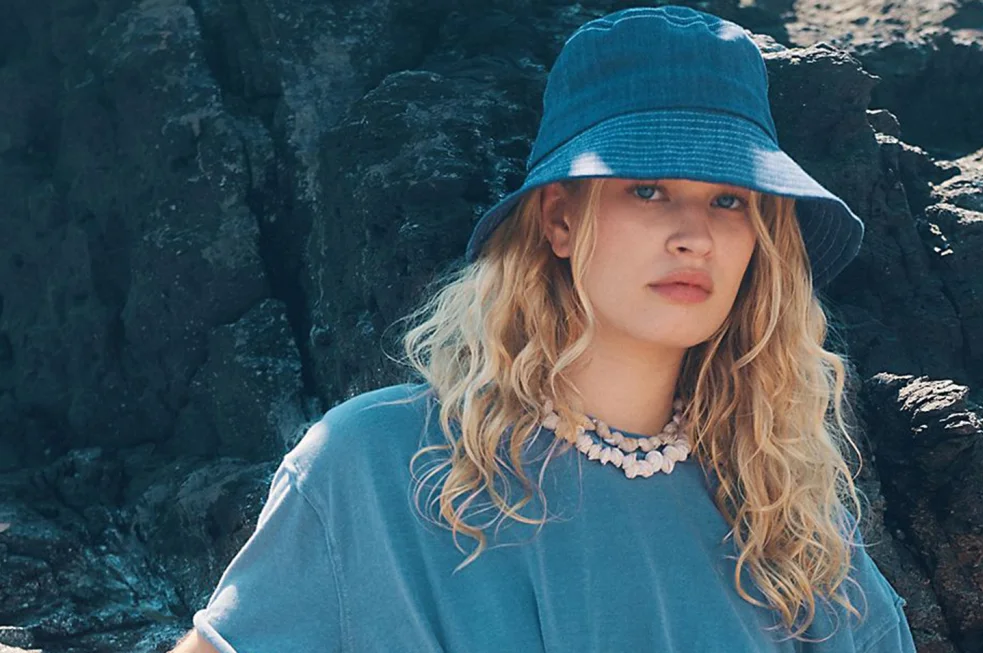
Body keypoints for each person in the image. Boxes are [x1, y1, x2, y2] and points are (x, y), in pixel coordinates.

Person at [171, 5, 917, 652]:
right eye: (649, 188)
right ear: (560, 218)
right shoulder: (374, 463)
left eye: (729, 200)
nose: (696, 236)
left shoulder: (790, 526)